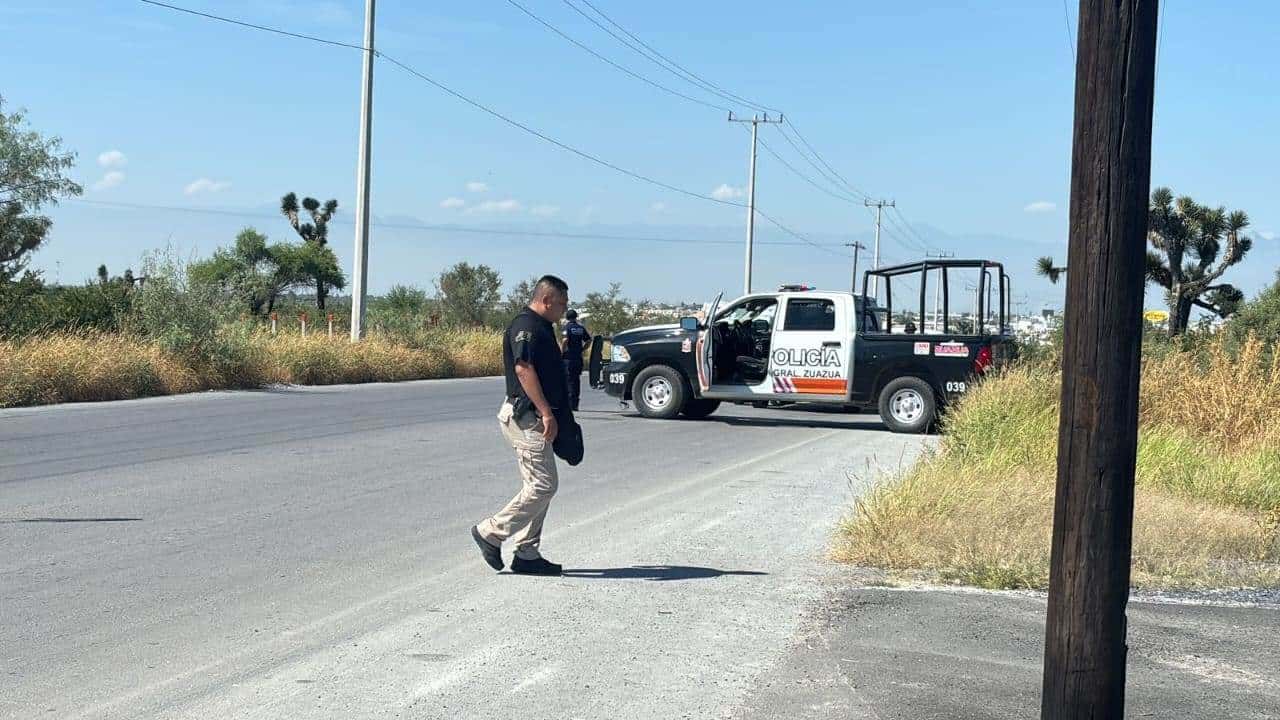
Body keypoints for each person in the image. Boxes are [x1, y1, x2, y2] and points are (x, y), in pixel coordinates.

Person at [471, 275, 570, 576]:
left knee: (538, 486)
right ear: (547, 300)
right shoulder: (525, 326)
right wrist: (546, 412)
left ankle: (527, 553)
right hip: (526, 417)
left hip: (535, 417)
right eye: (562, 304)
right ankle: (491, 531)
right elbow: (523, 369)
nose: (565, 310)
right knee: (544, 485)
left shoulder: (542, 327)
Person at [561, 309, 592, 411]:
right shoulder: (580, 328)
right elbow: (589, 340)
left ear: (567, 317)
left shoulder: (567, 327)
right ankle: (575, 404)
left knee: (569, 380)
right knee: (576, 380)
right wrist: (582, 349)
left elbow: (565, 340)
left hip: (568, 358)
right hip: (578, 358)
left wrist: (562, 351)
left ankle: (570, 404)